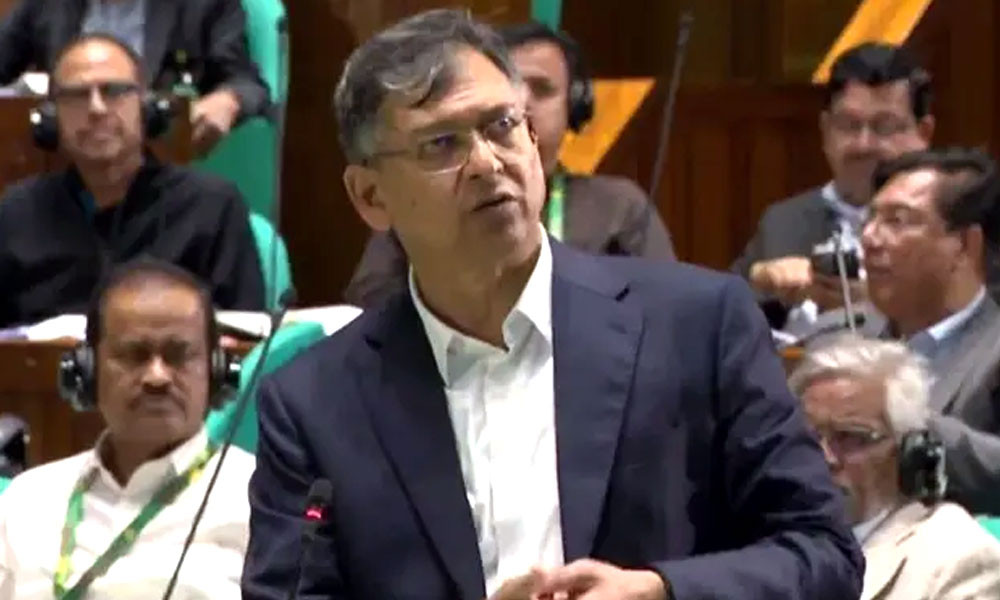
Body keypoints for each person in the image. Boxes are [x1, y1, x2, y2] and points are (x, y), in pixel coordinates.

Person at [242, 10, 862, 600]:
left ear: (533, 138)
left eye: (501, 126)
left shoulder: (697, 326)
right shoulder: (316, 404)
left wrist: (660, 591)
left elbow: (825, 554)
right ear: (370, 196)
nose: (487, 163)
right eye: (441, 144)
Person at [343, 21, 674, 309]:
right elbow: (369, 303)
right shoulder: (426, 205)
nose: (523, 102)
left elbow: (661, 310)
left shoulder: (618, 206)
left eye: (541, 89)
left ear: (574, 106)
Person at [0, 258, 256, 598]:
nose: (157, 377)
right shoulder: (28, 499)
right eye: (134, 355)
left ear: (218, 371)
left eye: (179, 355)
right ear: (86, 371)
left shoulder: (259, 500)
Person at [0, 34, 265, 328]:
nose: (96, 109)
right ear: (52, 118)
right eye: (77, 95)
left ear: (147, 109)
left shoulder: (211, 206)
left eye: (114, 91)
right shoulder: (17, 212)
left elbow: (247, 335)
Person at [732, 42, 933, 330]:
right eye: (849, 125)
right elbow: (721, 319)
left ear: (924, 133)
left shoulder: (951, 224)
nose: (864, 145)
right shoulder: (783, 222)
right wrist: (760, 279)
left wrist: (877, 305)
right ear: (825, 130)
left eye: (884, 127)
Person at [790, 336, 1000, 600]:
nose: (825, 458)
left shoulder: (959, 559)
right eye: (808, 438)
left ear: (908, 451)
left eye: (851, 437)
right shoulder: (760, 535)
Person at [861, 147, 1000, 514]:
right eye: (870, 218)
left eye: (897, 221)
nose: (870, 238)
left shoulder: (994, 351)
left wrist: (903, 420)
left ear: (965, 245)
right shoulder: (843, 337)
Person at [0, 0, 270, 154]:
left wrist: (228, 100)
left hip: (160, 165)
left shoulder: (202, 5)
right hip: (64, 160)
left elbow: (245, 82)